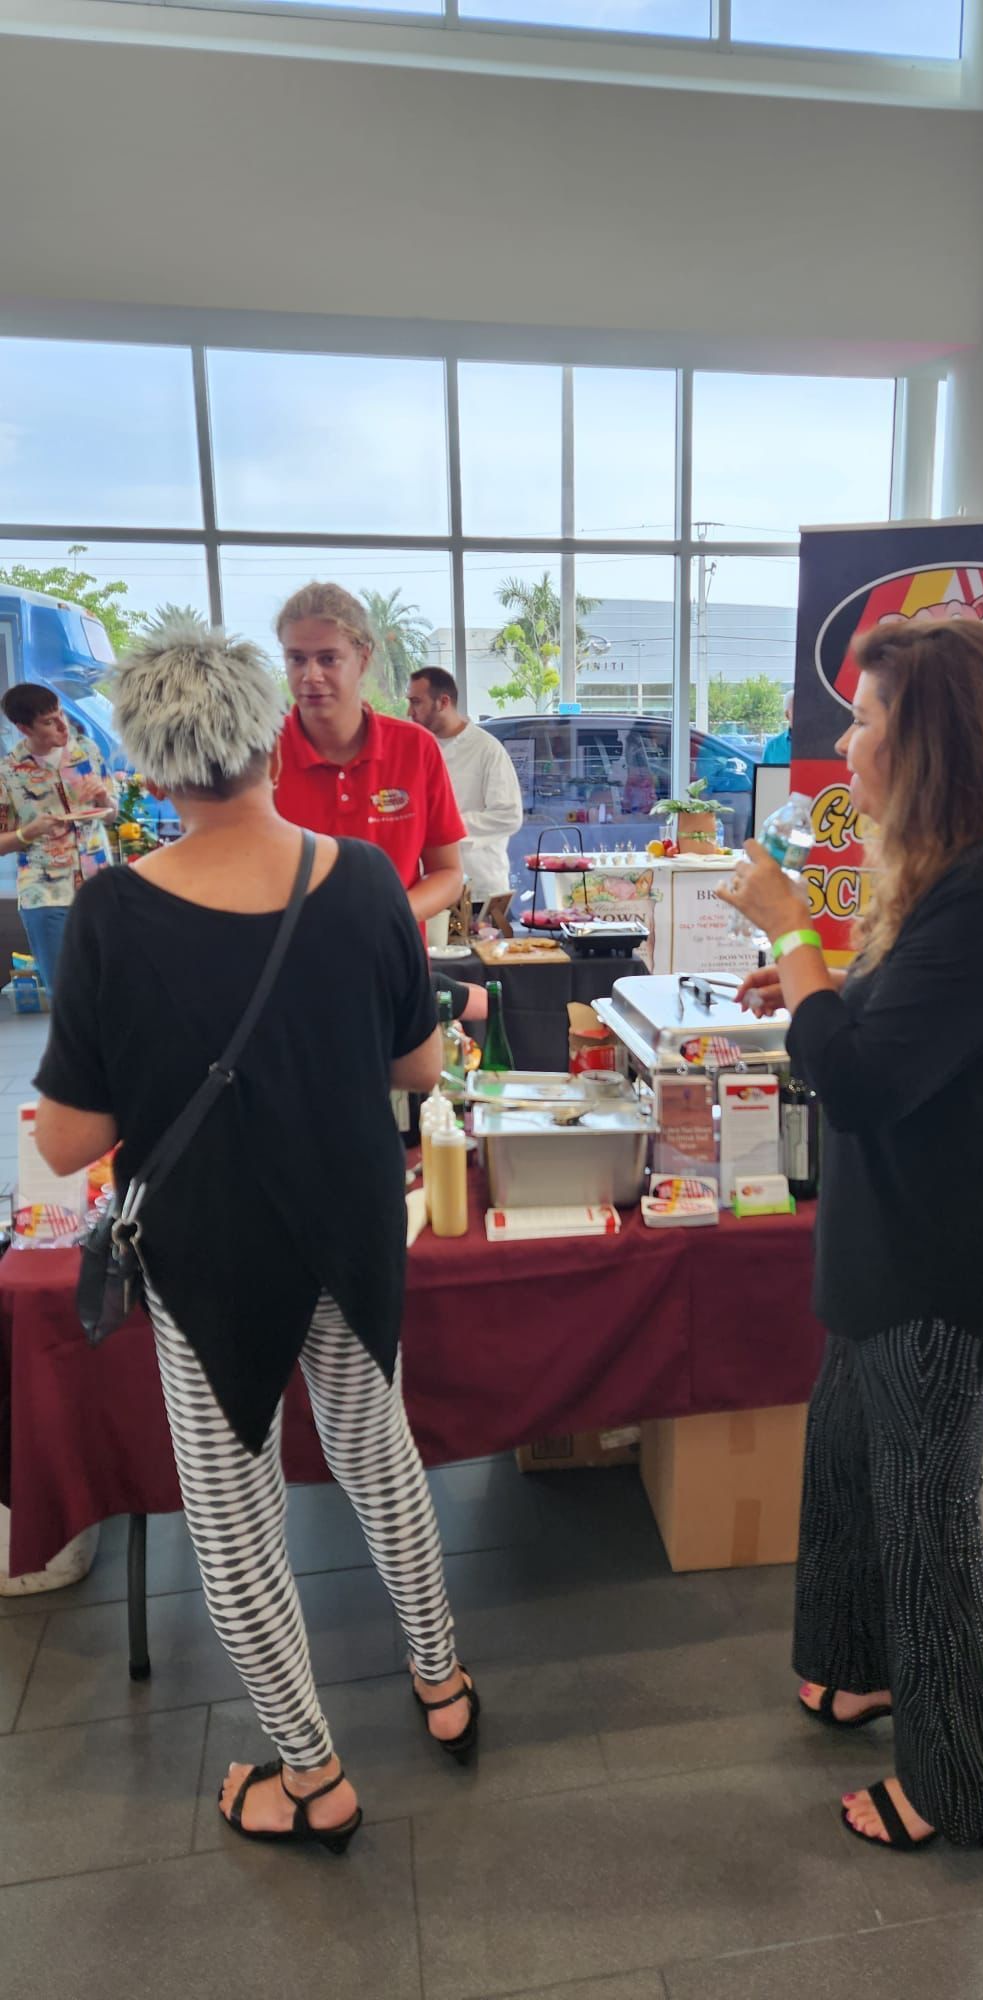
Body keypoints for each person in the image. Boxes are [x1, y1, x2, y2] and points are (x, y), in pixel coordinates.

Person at [33, 617, 479, 1853]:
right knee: (374, 1446)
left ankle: (313, 1772)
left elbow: (69, 1144)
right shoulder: (368, 879)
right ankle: (441, 1682)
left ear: (157, 769)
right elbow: (420, 1063)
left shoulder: (116, 910)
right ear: (267, 739)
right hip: (350, 1214)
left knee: (233, 1510)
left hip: (210, 1245)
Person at [718, 618, 983, 1855]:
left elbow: (870, 1083)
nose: (844, 746)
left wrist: (791, 938)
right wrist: (813, 983)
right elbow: (903, 1029)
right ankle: (853, 1668)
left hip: (937, 1260)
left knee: (926, 1507)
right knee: (848, 1455)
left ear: (931, 737)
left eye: (867, 718)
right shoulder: (969, 868)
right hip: (901, 1237)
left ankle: (964, 1786)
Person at [272, 583, 465, 923]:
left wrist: (387, 919)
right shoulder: (261, 755)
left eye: (328, 659)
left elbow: (447, 873)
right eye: (297, 659)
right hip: (288, 967)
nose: (310, 676)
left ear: (363, 660)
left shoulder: (415, 748)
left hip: (393, 966)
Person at [0, 685, 116, 996]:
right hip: (46, 895)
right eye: (50, 721)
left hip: (100, 888)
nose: (63, 725)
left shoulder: (87, 752)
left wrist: (105, 798)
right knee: (66, 995)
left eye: (61, 714)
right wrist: (28, 832)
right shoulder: (8, 772)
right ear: (24, 728)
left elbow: (111, 815)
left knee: (113, 989)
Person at [407, 667, 524, 903]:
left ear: (443, 702)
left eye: (416, 702)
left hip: (481, 887)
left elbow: (509, 815)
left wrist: (446, 828)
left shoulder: (487, 749)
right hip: (427, 888)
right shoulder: (413, 749)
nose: (410, 711)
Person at [760, 688, 793, 765]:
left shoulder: (818, 745)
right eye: (797, 708)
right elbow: (766, 776)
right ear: (787, 715)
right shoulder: (772, 747)